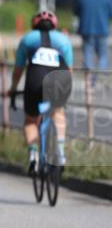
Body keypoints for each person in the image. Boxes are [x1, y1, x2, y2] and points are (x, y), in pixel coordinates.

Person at [8, 9, 74, 169]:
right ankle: (60, 151)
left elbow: (18, 70)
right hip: (58, 80)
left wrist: (13, 89)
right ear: (54, 25)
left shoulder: (27, 39)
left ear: (34, 24)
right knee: (58, 113)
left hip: (34, 81)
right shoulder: (64, 40)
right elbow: (69, 71)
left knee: (31, 120)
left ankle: (33, 153)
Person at [73, 0, 112, 74]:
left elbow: (76, 12)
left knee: (88, 55)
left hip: (86, 30)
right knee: (103, 56)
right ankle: (100, 77)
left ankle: (89, 80)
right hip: (102, 30)